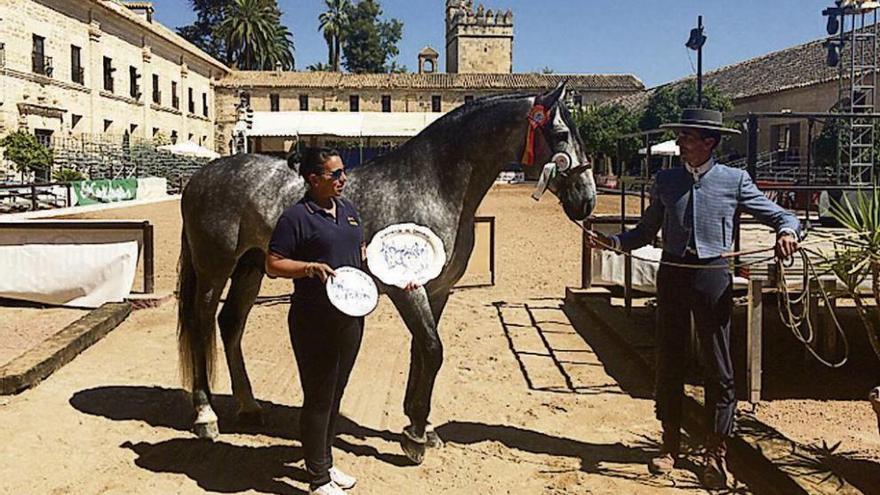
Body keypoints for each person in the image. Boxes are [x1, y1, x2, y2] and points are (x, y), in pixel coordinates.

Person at [585, 108, 801, 489]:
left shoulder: (734, 181)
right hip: (673, 275)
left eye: (687, 137)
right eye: (681, 136)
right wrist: (614, 242)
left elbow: (781, 215)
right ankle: (670, 443)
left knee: (719, 365)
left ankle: (716, 450)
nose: (681, 143)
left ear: (709, 143)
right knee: (669, 358)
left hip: (712, 277)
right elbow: (645, 230)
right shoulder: (666, 180)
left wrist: (786, 231)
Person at [266, 147, 363, 495]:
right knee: (319, 395)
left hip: (350, 316)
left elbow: (360, 254)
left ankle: (326, 460)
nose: (343, 179)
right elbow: (273, 264)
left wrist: (398, 273)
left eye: (343, 172)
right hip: (313, 319)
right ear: (313, 179)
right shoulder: (296, 217)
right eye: (335, 174)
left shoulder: (349, 211)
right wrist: (308, 268)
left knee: (336, 393)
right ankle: (317, 478)